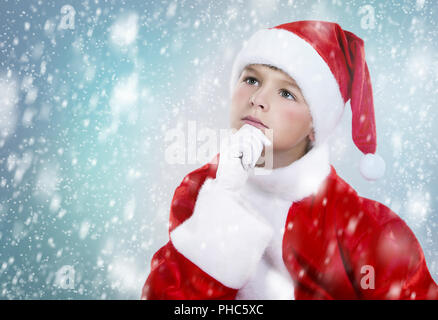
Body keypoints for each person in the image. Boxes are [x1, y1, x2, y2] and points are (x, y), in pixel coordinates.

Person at [141, 20, 438, 300]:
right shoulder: (199, 191)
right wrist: (224, 199)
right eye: (251, 79)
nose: (257, 98)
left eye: (286, 92)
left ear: (315, 125)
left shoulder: (369, 229)